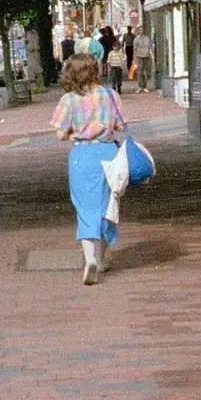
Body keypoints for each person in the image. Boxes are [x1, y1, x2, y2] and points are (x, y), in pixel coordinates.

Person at [51, 53, 127, 285]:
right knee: (107, 206)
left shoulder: (69, 100)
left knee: (85, 208)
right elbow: (121, 126)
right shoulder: (111, 95)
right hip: (107, 154)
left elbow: (60, 134)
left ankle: (90, 259)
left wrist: (77, 131)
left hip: (82, 156)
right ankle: (101, 260)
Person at [133, 28, 154, 93]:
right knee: (139, 72)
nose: (141, 31)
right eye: (139, 30)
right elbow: (135, 49)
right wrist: (134, 58)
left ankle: (145, 86)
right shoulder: (136, 39)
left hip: (146, 56)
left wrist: (152, 56)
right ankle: (140, 86)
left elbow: (150, 47)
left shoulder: (147, 38)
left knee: (146, 71)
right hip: (139, 56)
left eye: (142, 30)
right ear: (138, 31)